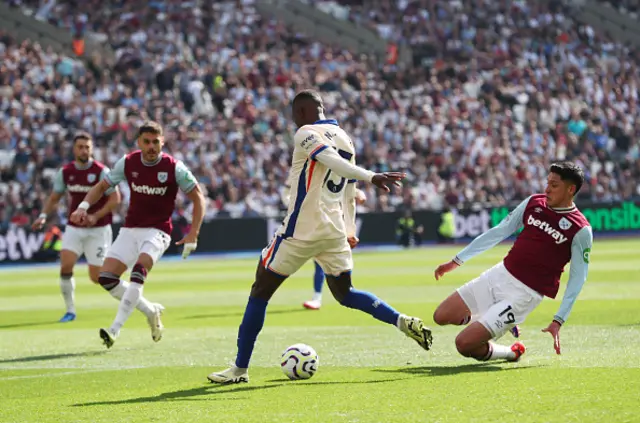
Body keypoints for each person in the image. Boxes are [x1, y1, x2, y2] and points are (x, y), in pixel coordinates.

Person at [207, 90, 432, 384]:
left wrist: (370, 176)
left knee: (260, 290)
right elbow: (348, 191)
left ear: (300, 112)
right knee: (346, 293)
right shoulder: (346, 138)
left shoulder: (306, 132)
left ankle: (239, 369)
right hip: (334, 231)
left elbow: (330, 161)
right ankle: (401, 321)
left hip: (301, 229)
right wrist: (350, 230)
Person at [432, 161, 593, 362]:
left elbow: (578, 278)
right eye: (547, 182)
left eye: (554, 185)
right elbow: (499, 232)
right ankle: (498, 320)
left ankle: (511, 352)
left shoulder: (580, 229)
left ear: (571, 189)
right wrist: (456, 261)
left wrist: (558, 320)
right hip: (499, 274)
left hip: (523, 295)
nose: (547, 189)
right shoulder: (534, 202)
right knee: (441, 316)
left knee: (464, 345)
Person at [70, 121, 206, 348]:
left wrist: (194, 232)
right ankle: (151, 311)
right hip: (130, 229)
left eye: (156, 142)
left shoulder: (174, 167)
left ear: (162, 142)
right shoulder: (128, 162)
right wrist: (83, 206)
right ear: (139, 143)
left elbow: (198, 197)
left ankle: (114, 330)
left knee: (138, 272)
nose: (152, 146)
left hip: (158, 232)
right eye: (147, 142)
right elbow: (102, 187)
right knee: (106, 278)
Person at [32, 132, 120, 322]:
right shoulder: (66, 172)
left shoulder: (101, 171)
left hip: (98, 229)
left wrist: (95, 216)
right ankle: (70, 310)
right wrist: (43, 216)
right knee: (66, 265)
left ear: (92, 149)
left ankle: (129, 293)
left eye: (87, 147)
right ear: (74, 149)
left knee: (97, 278)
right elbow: (54, 197)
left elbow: (115, 198)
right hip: (74, 227)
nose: (84, 150)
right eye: (80, 147)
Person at [302, 187, 367, 310]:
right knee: (320, 263)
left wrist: (359, 193)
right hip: (323, 226)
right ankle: (319, 297)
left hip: (335, 226)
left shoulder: (332, 176)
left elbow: (347, 186)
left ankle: (343, 293)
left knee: (337, 263)